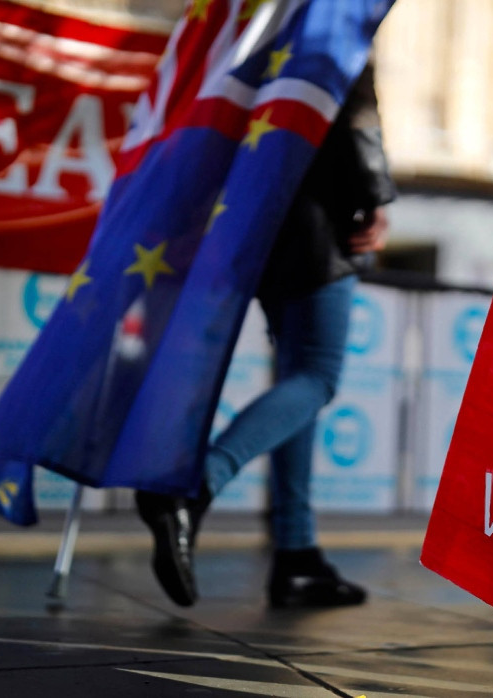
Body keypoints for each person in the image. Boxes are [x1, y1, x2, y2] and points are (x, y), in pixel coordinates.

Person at [135, 62, 396, 609]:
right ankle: (194, 485)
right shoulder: (328, 11)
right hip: (319, 215)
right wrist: (374, 197)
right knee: (318, 378)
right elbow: (351, 102)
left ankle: (296, 552)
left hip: (254, 213)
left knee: (297, 379)